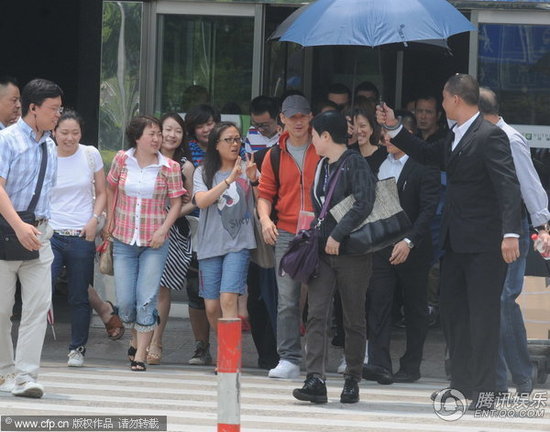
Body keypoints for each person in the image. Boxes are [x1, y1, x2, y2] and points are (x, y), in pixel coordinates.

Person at [376, 74, 522, 409]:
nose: (441, 105)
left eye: (443, 98)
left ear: (456, 98)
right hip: (454, 242)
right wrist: (395, 126)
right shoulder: (454, 135)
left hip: (485, 244)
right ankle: (462, 385)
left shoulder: (490, 135)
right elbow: (426, 153)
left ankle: (485, 392)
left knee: (483, 318)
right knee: (455, 316)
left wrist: (511, 233)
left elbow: (508, 186)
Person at [292, 110, 375, 404]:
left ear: (326, 136)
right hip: (322, 252)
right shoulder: (322, 165)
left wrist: (338, 235)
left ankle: (352, 378)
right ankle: (315, 378)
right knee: (316, 313)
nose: (312, 140)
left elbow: (364, 203)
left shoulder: (355, 163)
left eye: (314, 135)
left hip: (353, 252)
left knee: (353, 317)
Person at [479, 87, 550, 395]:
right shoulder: (475, 137)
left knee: (504, 300)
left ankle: (521, 376)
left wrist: (542, 225)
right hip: (486, 228)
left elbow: (529, 184)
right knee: (489, 301)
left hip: (513, 228)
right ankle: (496, 380)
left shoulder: (510, 139)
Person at [105, 115, 185, 372]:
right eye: (152, 134)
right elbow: (110, 188)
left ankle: (141, 353)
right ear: (137, 137)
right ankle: (137, 332)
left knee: (147, 298)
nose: (157, 138)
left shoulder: (169, 167)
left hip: (155, 242)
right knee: (126, 302)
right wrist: (110, 218)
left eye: (158, 134)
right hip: (124, 239)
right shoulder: (122, 159)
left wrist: (163, 229)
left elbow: (176, 203)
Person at [0, 78, 63, 398]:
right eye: (53, 109)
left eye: (60, 109)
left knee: (38, 307)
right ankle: (4, 372)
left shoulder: (50, 144)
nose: (58, 115)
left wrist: (38, 227)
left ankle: (26, 376)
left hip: (39, 234)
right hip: (5, 232)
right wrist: (18, 226)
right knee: (1, 310)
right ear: (33, 108)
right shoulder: (6, 140)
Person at [364, 128, 439, 385]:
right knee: (379, 301)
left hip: (413, 247)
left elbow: (428, 210)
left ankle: (411, 365)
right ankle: (379, 363)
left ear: (406, 135)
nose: (385, 139)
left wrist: (409, 241)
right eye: (383, 134)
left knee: (415, 306)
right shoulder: (378, 161)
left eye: (391, 134)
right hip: (381, 245)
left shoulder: (424, 165)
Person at [50, 110, 123, 368]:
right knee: (42, 291)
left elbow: (102, 192)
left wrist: (94, 220)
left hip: (82, 234)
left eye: (75, 133)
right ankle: (30, 346)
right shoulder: (45, 154)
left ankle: (77, 349)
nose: (69, 138)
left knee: (79, 295)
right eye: (64, 133)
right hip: (51, 234)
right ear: (54, 133)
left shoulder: (90, 154)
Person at [258, 95, 320, 379]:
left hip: (319, 231)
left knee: (322, 298)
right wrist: (265, 220)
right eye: (292, 117)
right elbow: (265, 194)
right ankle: (289, 358)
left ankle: (320, 356)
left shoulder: (322, 146)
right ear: (282, 118)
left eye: (302, 116)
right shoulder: (274, 154)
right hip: (286, 231)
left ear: (310, 117)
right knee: (287, 299)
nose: (298, 122)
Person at [193, 122, 257, 328]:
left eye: (238, 139)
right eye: (229, 140)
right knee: (212, 307)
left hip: (238, 244)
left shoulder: (248, 169)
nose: (235, 144)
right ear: (216, 144)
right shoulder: (203, 172)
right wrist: (229, 180)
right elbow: (202, 201)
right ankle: (226, 345)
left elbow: (263, 201)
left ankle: (229, 351)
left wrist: (255, 181)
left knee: (228, 300)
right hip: (209, 246)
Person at [146, 113, 195, 365]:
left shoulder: (186, 166)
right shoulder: (146, 159)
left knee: (161, 288)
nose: (172, 135)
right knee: (144, 287)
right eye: (168, 129)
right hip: (145, 227)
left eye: (178, 131)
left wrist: (168, 216)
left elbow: (193, 202)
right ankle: (140, 339)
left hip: (173, 231)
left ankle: (156, 341)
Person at [244, 95, 280, 370]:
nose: (261, 130)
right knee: (259, 293)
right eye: (257, 125)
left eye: (265, 125)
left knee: (280, 295)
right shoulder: (250, 140)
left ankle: (279, 352)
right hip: (259, 224)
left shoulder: (288, 143)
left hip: (285, 224)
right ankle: (266, 354)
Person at [184, 104, 221, 365]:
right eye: (200, 126)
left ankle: (225, 349)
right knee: (195, 290)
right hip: (196, 227)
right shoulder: (187, 152)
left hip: (227, 228)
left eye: (210, 123)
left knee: (224, 293)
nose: (206, 129)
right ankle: (201, 346)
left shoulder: (233, 146)